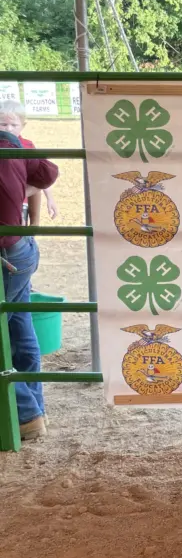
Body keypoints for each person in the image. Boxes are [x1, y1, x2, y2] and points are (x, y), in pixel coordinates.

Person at [0, 129, 59, 441]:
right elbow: (48, 173)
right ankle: (34, 410)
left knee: (12, 330)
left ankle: (25, 414)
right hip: (20, 248)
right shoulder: (8, 141)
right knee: (20, 330)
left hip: (5, 255)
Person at [0, 100, 60, 227]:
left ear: (23, 125)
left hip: (19, 203)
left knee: (17, 232)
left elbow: (41, 175)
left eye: (14, 125)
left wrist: (50, 198)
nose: (9, 129)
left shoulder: (27, 146)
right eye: (3, 124)